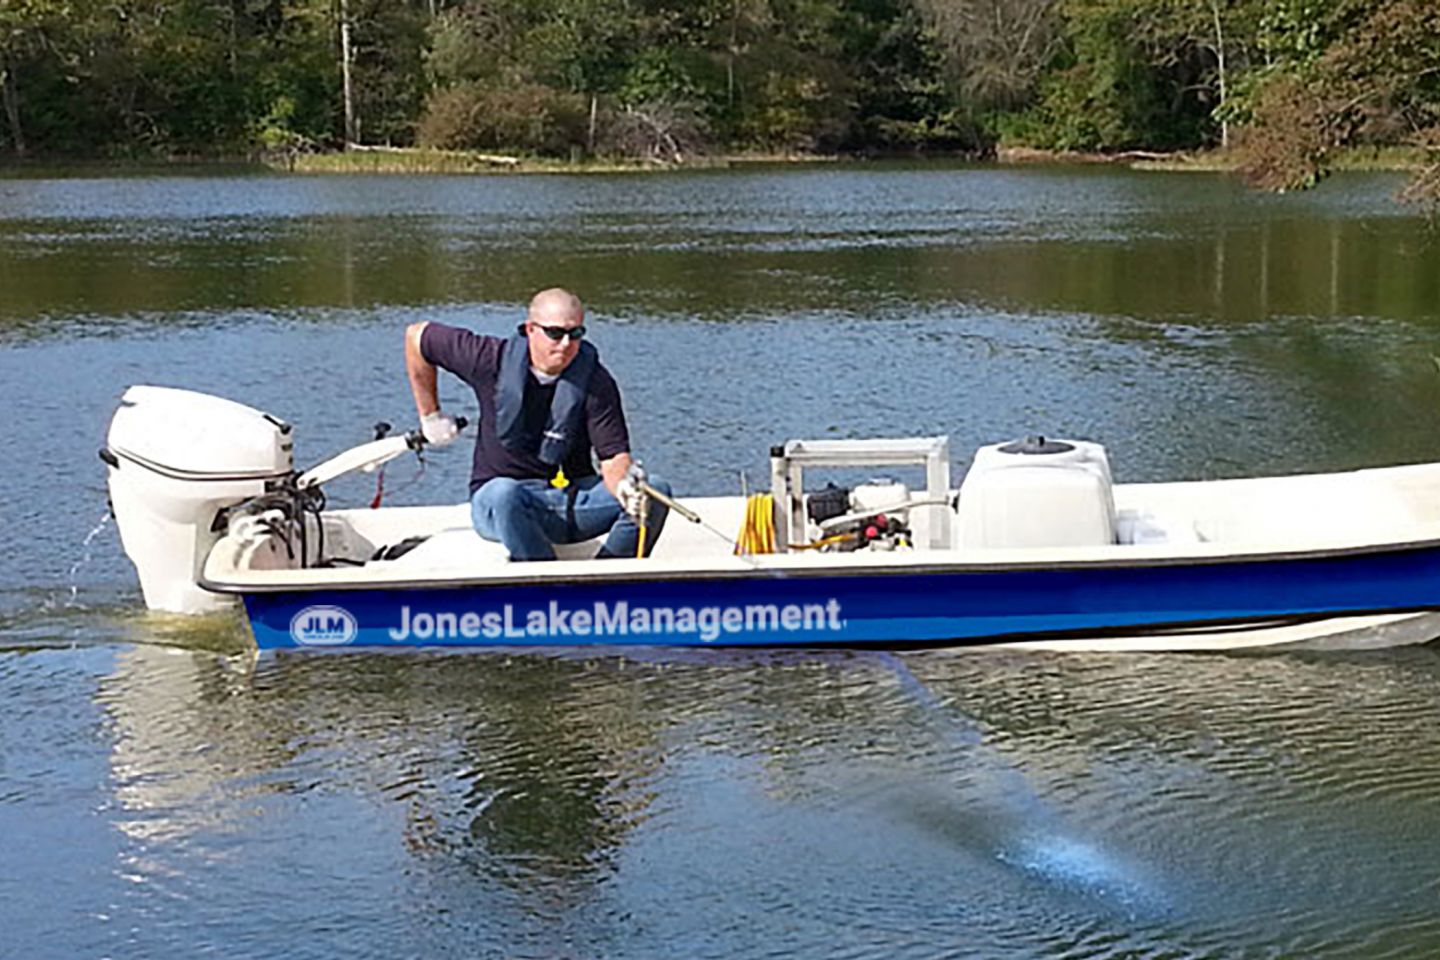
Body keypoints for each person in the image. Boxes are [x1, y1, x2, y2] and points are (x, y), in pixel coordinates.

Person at [405, 288, 670, 561]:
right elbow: (417, 336)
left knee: (656, 491)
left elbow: (613, 458)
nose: (566, 343)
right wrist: (430, 416)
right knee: (504, 493)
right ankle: (544, 584)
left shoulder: (596, 381)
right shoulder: (488, 358)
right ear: (531, 329)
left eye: (575, 333)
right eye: (555, 333)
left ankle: (605, 581)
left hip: (566, 500)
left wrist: (626, 488)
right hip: (498, 504)